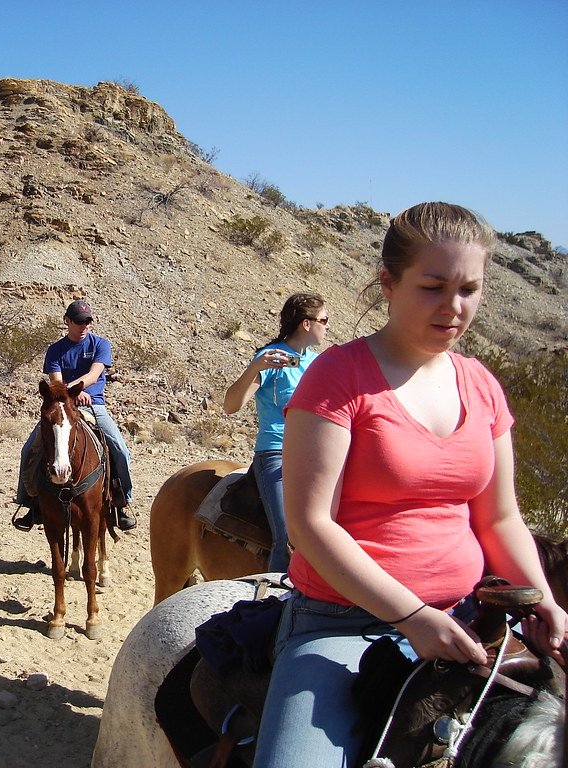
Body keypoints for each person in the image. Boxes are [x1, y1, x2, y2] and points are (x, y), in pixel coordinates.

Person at [253, 202, 568, 767]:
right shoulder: (338, 376)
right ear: (389, 283)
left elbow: (499, 518)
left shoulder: (480, 385)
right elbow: (309, 523)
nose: (454, 307)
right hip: (343, 624)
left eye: (470, 289)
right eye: (433, 286)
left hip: (470, 618)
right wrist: (412, 617)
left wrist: (543, 601)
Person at [222, 293, 329, 572]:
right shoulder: (270, 359)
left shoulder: (318, 363)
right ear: (306, 324)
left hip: (317, 455)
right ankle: (275, 599)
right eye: (324, 320)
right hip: (276, 452)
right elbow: (231, 406)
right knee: (289, 536)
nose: (327, 326)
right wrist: (255, 367)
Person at [13, 300, 136, 531]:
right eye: (79, 321)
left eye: (87, 321)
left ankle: (122, 503)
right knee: (30, 449)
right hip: (62, 407)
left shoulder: (101, 344)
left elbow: (94, 374)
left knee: (119, 448)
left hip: (94, 405)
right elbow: (55, 382)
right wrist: (70, 395)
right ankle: (29, 503)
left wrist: (76, 391)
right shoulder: (56, 350)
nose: (84, 326)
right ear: (67, 321)